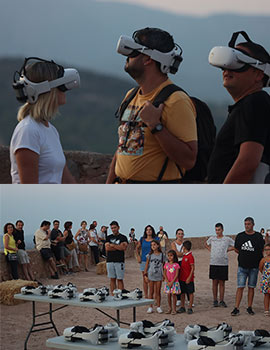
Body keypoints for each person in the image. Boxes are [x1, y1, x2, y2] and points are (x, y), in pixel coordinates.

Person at [106, 27, 197, 183]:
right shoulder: (131, 95)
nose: (127, 57)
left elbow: (189, 160)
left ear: (148, 59)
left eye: (133, 52)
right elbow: (123, 147)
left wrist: (156, 126)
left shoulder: (176, 101)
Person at [208, 31, 270, 183]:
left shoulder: (255, 102)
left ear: (259, 75)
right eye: (224, 65)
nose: (227, 70)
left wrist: (224, 198)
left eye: (237, 64)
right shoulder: (248, 104)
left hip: (233, 200)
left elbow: (248, 162)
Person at [10, 57, 79, 184]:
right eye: (62, 86)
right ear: (48, 90)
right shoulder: (28, 131)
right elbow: (30, 192)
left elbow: (66, 180)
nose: (66, 90)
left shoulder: (50, 130)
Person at [231, 217, 265, 316]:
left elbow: (261, 250)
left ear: (253, 225)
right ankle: (236, 308)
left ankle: (249, 307)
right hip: (242, 266)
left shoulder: (258, 236)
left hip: (254, 267)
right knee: (240, 287)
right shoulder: (240, 236)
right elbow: (236, 249)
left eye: (248, 224)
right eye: (245, 224)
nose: (247, 226)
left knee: (251, 287)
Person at [205, 223, 235, 308]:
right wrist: (211, 250)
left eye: (219, 230)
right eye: (216, 230)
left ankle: (221, 300)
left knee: (222, 283)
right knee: (214, 282)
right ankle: (215, 300)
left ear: (222, 230)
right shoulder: (212, 238)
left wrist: (228, 250)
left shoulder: (227, 239)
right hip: (213, 263)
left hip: (223, 263)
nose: (217, 231)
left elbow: (235, 245)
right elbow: (206, 244)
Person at [105, 221, 128, 293]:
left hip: (119, 261)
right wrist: (118, 247)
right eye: (112, 228)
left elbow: (123, 248)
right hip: (110, 260)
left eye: (115, 227)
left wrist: (113, 245)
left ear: (118, 227)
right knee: (112, 279)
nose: (113, 229)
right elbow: (107, 248)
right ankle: (113, 295)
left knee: (120, 279)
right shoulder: (108, 237)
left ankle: (120, 295)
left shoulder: (123, 237)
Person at [136, 225, 157, 298]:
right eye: (147, 230)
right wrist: (138, 256)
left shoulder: (156, 239)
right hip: (144, 261)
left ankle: (152, 295)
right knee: (145, 278)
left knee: (152, 278)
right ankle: (146, 295)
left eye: (150, 229)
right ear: (145, 231)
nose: (149, 231)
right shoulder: (142, 239)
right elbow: (137, 248)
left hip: (153, 261)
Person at [144, 240, 164, 314]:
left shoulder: (162, 255)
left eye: (154, 244)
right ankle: (150, 306)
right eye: (152, 245)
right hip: (151, 275)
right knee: (151, 291)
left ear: (158, 245)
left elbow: (164, 266)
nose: (153, 246)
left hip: (159, 275)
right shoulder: (149, 255)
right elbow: (146, 266)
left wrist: (164, 275)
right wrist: (145, 275)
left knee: (157, 292)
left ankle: (158, 306)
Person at [177, 240, 195, 314]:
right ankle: (182, 306)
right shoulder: (184, 256)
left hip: (188, 278)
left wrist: (189, 277)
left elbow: (192, 268)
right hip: (182, 278)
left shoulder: (190, 256)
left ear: (184, 247)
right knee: (182, 293)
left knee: (190, 292)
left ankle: (190, 307)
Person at [163, 249, 181, 315]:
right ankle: (169, 308)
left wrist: (172, 282)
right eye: (168, 256)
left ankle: (174, 309)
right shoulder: (166, 264)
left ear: (174, 256)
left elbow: (177, 275)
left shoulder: (176, 265)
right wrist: (167, 281)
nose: (169, 257)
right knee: (168, 295)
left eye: (171, 255)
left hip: (174, 282)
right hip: (168, 282)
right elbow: (164, 273)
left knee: (174, 295)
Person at [171, 228, 185, 306]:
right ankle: (178, 298)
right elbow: (176, 253)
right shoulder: (173, 243)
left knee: (184, 280)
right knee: (177, 280)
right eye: (179, 234)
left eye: (182, 234)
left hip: (183, 263)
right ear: (176, 235)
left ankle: (188, 299)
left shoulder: (184, 243)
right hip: (176, 263)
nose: (180, 235)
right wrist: (181, 253)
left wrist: (179, 253)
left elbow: (183, 253)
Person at [259, 243, 270, 316]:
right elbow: (260, 268)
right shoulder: (263, 259)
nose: (267, 251)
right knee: (266, 295)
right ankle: (266, 310)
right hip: (266, 279)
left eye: (268, 249)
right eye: (265, 250)